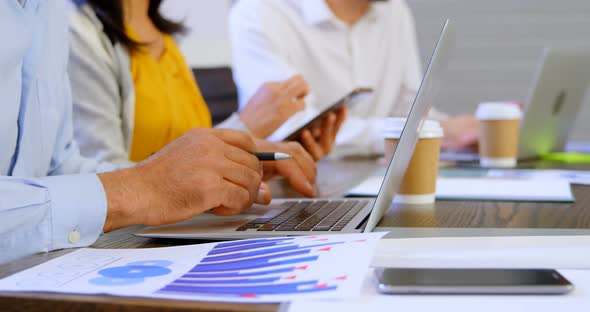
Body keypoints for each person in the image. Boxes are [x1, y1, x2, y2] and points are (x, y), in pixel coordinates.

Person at [0, 0, 310, 264]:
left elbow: (62, 167)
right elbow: (118, 180)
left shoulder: (50, 11)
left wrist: (208, 177)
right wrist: (143, 188)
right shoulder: (79, 26)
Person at [68, 0, 343, 163]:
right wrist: (244, 129)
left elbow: (187, 160)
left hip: (181, 232)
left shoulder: (164, 38)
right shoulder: (77, 33)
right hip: (129, 245)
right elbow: (102, 184)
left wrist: (264, 160)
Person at [230, 0, 480, 157]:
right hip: (296, 185)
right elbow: (296, 129)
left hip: (375, 175)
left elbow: (407, 107)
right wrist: (427, 132)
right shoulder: (260, 12)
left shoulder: (394, 11)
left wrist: (456, 130)